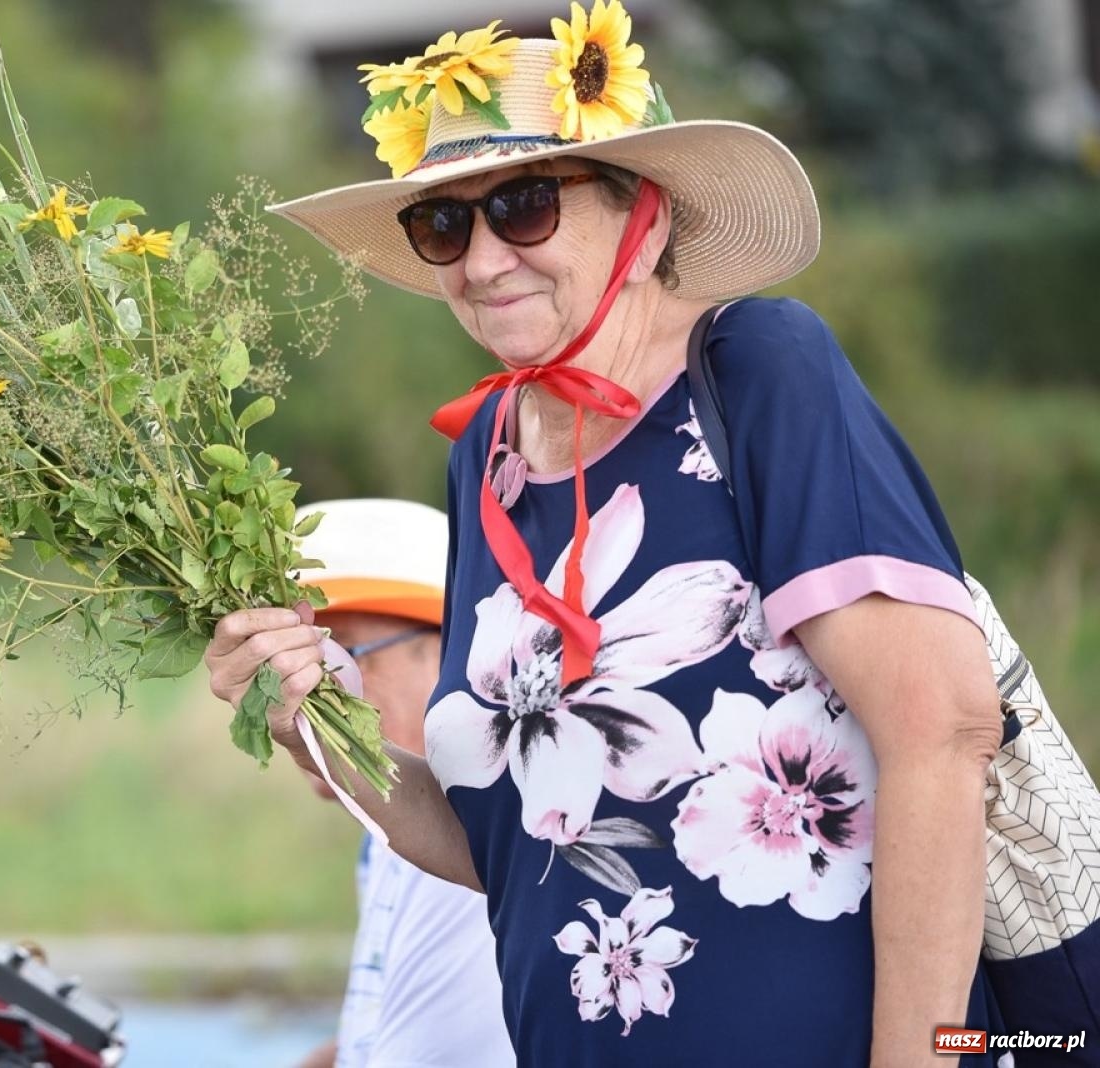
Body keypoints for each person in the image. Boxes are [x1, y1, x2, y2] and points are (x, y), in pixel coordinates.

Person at [207, 6, 1013, 1066]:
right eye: (443, 225)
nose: (482, 260)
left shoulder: (757, 371)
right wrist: (316, 724)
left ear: (647, 220)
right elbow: (514, 847)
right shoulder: (487, 454)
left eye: (525, 206)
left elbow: (943, 733)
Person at [287, 498, 514, 1068]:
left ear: (450, 653)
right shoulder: (386, 845)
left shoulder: (475, 845)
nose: (304, 685)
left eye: (341, 651)